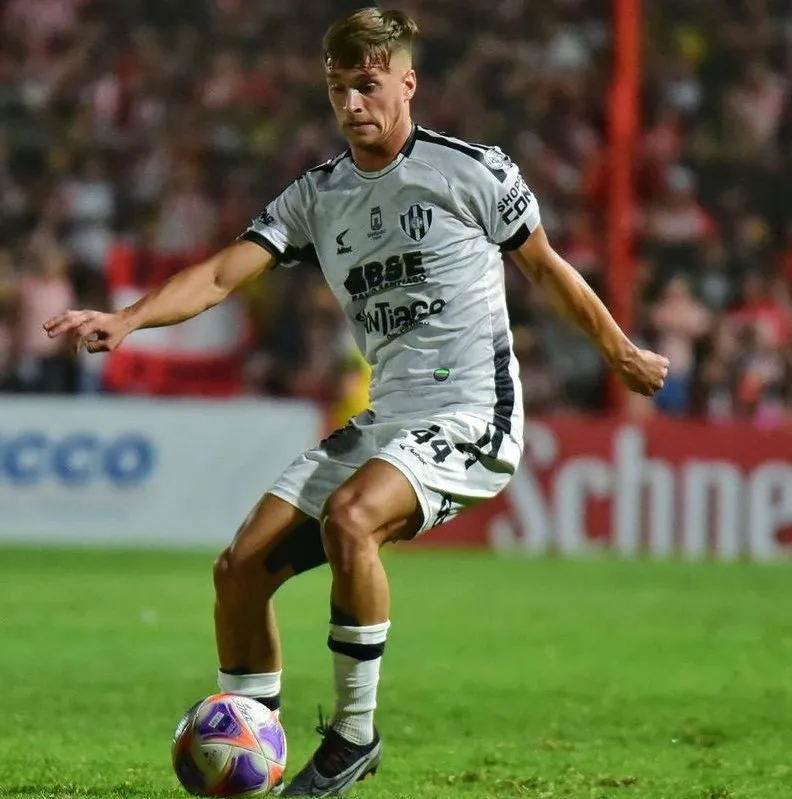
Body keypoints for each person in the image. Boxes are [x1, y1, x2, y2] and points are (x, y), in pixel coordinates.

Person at [43, 8, 669, 796]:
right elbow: (219, 274)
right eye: (338, 89)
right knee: (239, 569)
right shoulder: (319, 196)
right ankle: (252, 748)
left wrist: (619, 350)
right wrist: (128, 317)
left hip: (474, 414)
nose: (351, 105)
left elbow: (545, 269)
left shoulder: (470, 171)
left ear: (407, 82)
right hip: (387, 422)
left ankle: (353, 734)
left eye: (367, 85)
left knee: (351, 517)